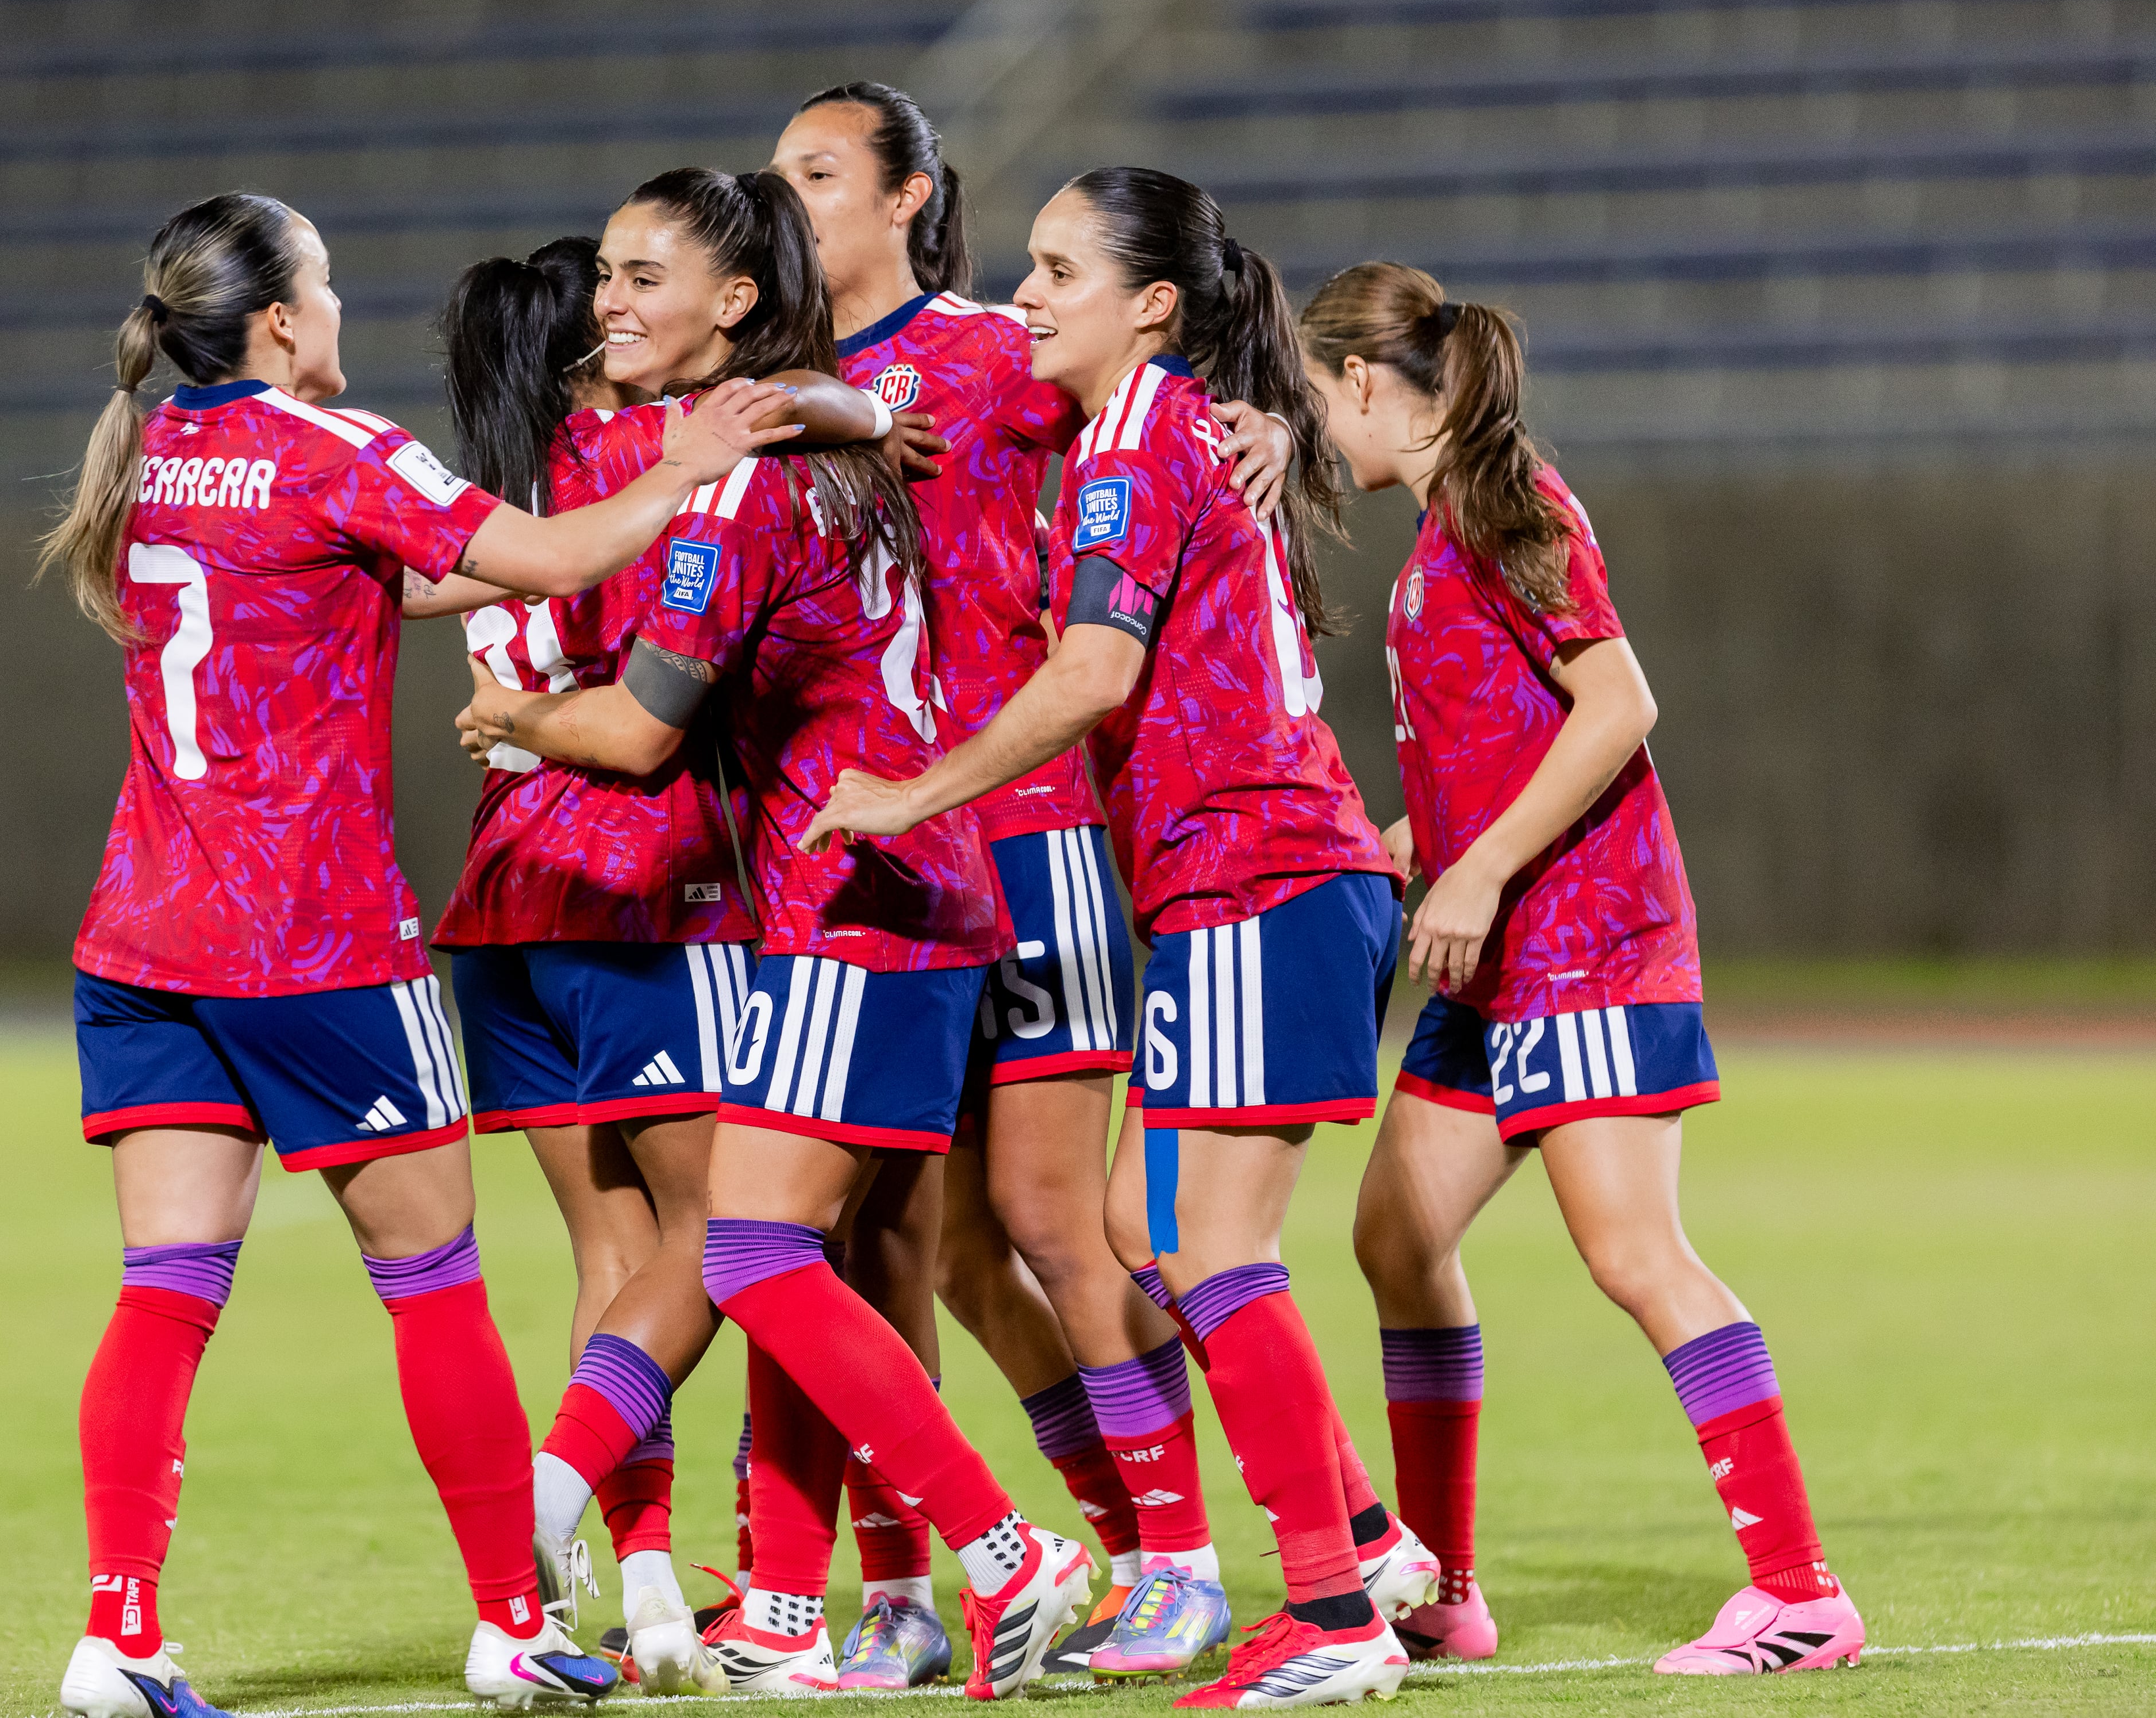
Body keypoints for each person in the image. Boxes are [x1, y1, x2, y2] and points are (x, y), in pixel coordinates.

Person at [36, 191, 792, 1718]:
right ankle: (515, 1621)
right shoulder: (341, 449)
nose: (337, 308)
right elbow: (536, 545)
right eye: (320, 284)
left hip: (144, 937)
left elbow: (421, 574)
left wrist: (584, 537)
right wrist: (695, 464)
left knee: (167, 1287)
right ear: (278, 321)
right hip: (315, 944)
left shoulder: (148, 453)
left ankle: (117, 1633)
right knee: (433, 1278)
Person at [459, 166, 1103, 1702]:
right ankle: (820, 1597)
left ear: (735, 301)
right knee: (827, 1245)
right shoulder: (825, 439)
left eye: (641, 274)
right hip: (917, 882)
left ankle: (1010, 1547)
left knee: (750, 1244)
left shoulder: (741, 482)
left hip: (838, 894)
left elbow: (634, 732)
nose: (610, 301)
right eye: (603, 275)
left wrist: (514, 712)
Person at [805, 168, 1441, 1710]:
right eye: (1028, 265)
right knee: (1151, 1235)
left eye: (1061, 269)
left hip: (1255, 874)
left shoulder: (1134, 445)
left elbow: (1091, 672)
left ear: (1154, 303)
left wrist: (911, 793)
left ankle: (1332, 1599)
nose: (1028, 294)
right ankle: (1359, 1546)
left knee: (1209, 1250)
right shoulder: (1144, 433)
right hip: (1250, 881)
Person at [770, 84, 1289, 1689]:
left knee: (1059, 1218)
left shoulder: (1002, 348)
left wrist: (1274, 418)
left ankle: (1188, 1550)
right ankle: (985, 1572)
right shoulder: (775, 388)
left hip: (1023, 823)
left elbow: (1170, 402)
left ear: (912, 195)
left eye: (818, 174)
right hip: (875, 853)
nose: (786, 202)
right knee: (909, 1251)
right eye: (773, 177)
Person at [1288, 260, 1863, 1674]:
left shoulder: (1504, 502)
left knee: (1631, 1250)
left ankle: (1798, 1591)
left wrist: (1477, 869)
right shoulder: (1439, 537)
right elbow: (1508, 744)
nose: (1309, 435)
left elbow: (1616, 703)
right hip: (1501, 961)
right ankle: (1441, 1589)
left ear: (1361, 382)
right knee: (1395, 1238)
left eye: (1313, 400)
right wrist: (1409, 842)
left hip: (1584, 939)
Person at [414, 233, 932, 1694]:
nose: (635, 318)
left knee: (608, 1255)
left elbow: (410, 596)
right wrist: (876, 412)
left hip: (500, 895)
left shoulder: (489, 499)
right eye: (616, 299)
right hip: (647, 885)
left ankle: (635, 1592)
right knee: (744, 1235)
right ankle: (589, 1523)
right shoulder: (661, 449)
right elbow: (822, 407)